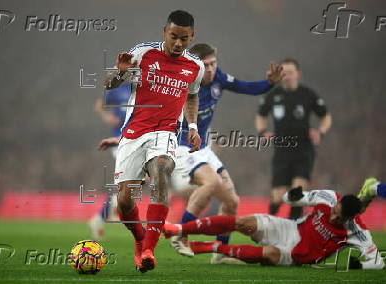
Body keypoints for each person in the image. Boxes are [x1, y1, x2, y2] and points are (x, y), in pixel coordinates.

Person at [104, 10, 204, 272]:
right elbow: (108, 85)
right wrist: (121, 73)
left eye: (184, 38)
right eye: (174, 37)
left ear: (192, 36)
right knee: (125, 201)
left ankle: (149, 249)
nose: (178, 43)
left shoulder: (196, 67)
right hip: (134, 133)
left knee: (161, 170)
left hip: (166, 132)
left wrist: (192, 126)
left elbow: (192, 96)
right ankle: (140, 240)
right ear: (164, 32)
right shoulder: (143, 53)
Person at [169, 43, 283, 264]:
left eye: (213, 64)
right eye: (206, 65)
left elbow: (245, 87)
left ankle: (221, 252)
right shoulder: (182, 85)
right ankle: (180, 234)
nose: (211, 69)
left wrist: (269, 83)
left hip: (204, 148)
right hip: (182, 146)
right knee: (211, 183)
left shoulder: (219, 78)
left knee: (232, 202)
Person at [164, 187, 385, 270]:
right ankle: (179, 229)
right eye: (335, 210)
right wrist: (292, 195)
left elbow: (378, 263)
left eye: (340, 217)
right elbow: (293, 200)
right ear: (336, 203)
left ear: (351, 218)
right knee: (243, 222)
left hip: (298, 255)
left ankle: (213, 247)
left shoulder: (357, 231)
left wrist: (360, 267)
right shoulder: (327, 197)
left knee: (268, 255)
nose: (334, 216)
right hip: (289, 228)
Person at [255, 58, 332, 219]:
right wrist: (263, 132)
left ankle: (293, 231)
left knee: (297, 194)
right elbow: (260, 115)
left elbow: (326, 117)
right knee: (278, 196)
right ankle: (269, 224)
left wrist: (320, 132)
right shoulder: (273, 95)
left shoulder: (308, 94)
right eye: (284, 73)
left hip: (303, 150)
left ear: (298, 74)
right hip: (282, 151)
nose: (287, 76)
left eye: (290, 72)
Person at [88, 82, 131, 240]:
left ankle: (103, 215)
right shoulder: (118, 88)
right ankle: (113, 206)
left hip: (136, 139)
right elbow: (99, 105)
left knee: (134, 180)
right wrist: (108, 117)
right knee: (133, 178)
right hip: (119, 140)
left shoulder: (143, 86)